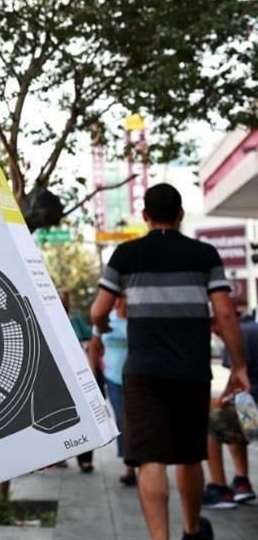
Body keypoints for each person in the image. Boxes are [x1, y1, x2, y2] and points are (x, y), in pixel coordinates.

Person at [90, 183, 250, 540]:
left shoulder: (125, 255)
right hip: (191, 370)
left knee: (151, 458)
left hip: (144, 372)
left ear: (145, 216)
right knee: (190, 455)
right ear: (180, 215)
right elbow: (225, 313)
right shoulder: (204, 254)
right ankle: (191, 530)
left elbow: (99, 311)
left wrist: (103, 327)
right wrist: (239, 366)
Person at [202, 299, 258, 508]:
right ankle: (242, 481)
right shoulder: (252, 328)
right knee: (232, 414)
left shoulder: (235, 336)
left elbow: (235, 384)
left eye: (212, 326)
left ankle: (219, 488)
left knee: (209, 420)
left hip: (254, 412)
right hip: (250, 408)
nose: (213, 332)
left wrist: (217, 403)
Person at [87, 293, 136, 486]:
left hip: (136, 378)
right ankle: (129, 465)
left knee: (136, 418)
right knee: (121, 418)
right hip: (113, 378)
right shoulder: (105, 319)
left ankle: (140, 459)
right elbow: (94, 346)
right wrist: (92, 371)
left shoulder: (137, 319)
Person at [61, 290, 97, 473]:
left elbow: (91, 339)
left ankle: (85, 459)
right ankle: (58, 456)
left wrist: (84, 346)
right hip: (59, 376)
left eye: (63, 301)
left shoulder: (75, 322)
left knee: (83, 415)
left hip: (78, 372)